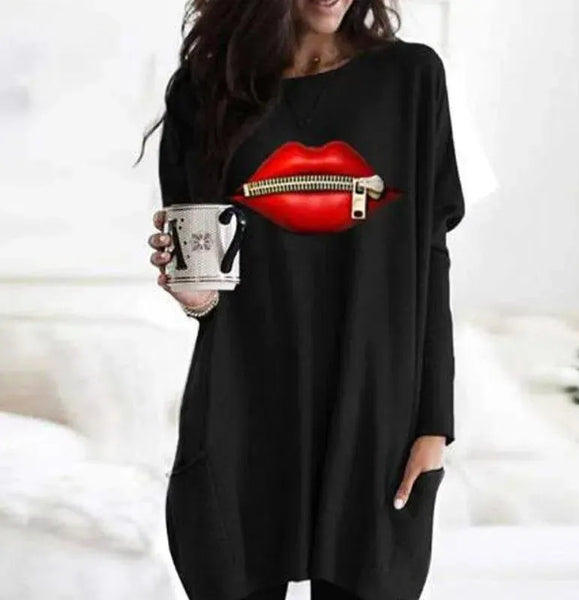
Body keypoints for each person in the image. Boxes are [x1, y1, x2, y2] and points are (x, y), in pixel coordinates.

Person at [141, 1, 465, 599]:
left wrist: (434, 424)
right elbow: (205, 279)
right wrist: (194, 297)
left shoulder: (412, 78)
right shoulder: (204, 90)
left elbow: (431, 258)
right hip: (245, 407)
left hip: (374, 411)